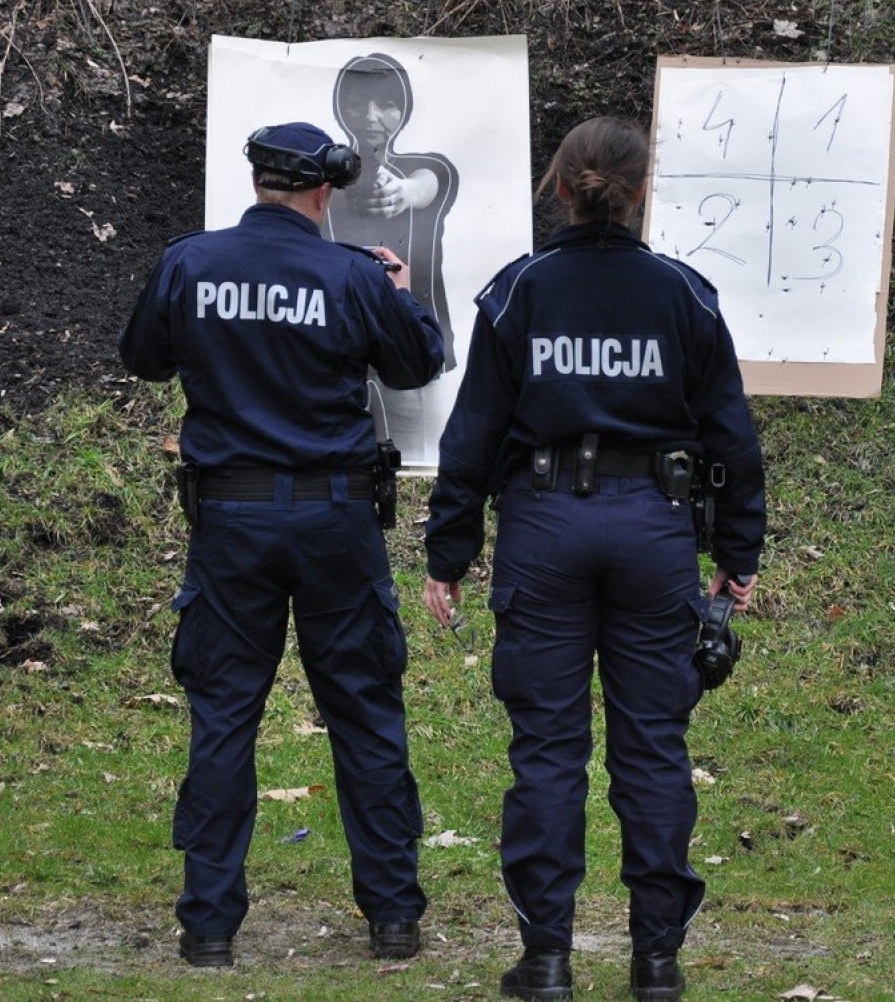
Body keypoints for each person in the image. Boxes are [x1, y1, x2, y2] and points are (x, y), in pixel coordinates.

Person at [421, 117, 766, 1002]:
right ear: (642, 189)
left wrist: (449, 555)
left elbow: (472, 438)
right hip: (654, 528)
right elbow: (732, 433)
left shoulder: (518, 292)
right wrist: (738, 550)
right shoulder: (684, 294)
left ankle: (546, 960)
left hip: (544, 527)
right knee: (654, 748)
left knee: (546, 748)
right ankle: (656, 962)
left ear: (559, 185)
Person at [119, 121, 444, 969]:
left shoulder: (191, 262)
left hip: (230, 521)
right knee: (365, 714)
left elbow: (144, 359)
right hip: (334, 519)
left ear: (260, 180)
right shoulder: (351, 275)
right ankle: (392, 919)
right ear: (324, 189)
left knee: (225, 716)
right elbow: (417, 364)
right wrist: (400, 292)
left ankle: (210, 928)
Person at [325, 52, 460, 463]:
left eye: (385, 104)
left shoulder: (427, 165)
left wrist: (403, 193)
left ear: (404, 109)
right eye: (357, 104)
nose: (370, 116)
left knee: (423, 458)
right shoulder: (325, 172)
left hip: (412, 343)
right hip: (338, 352)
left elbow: (428, 182)